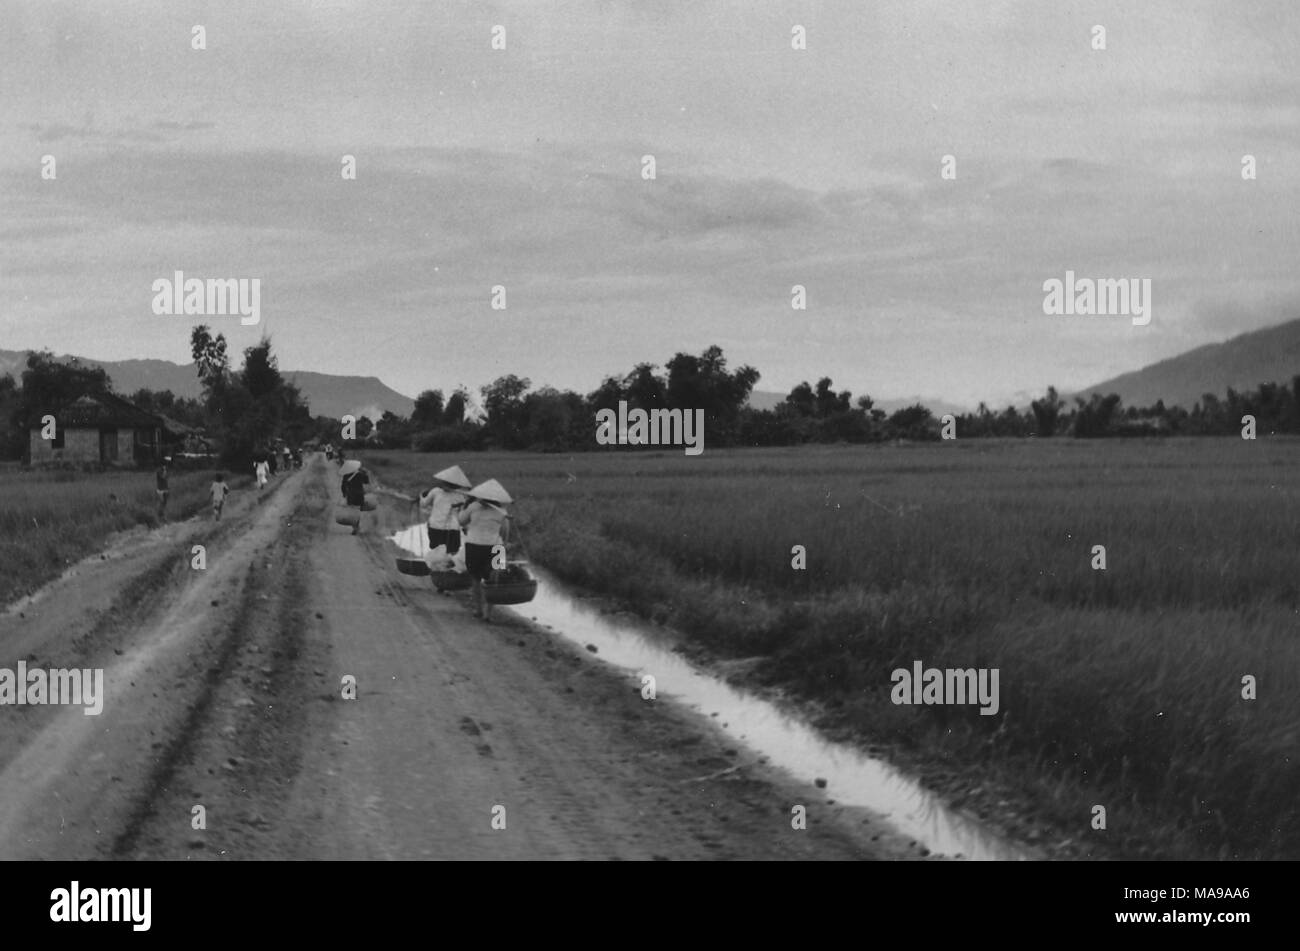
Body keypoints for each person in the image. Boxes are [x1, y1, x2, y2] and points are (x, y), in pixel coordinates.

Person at [458, 479, 513, 623]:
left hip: (474, 545)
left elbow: (461, 521)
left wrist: (464, 507)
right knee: (494, 580)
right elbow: (505, 532)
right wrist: (504, 547)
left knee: (476, 579)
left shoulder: (473, 506)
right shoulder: (502, 512)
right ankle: (488, 613)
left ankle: (478, 610)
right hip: (497, 547)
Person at [418, 465, 472, 556]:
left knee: (436, 552)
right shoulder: (460, 496)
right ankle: (449, 569)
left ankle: (437, 568)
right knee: (452, 553)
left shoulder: (436, 491)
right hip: (452, 529)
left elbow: (423, 504)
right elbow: (462, 515)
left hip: (436, 527)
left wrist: (421, 496)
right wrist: (466, 528)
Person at [340, 459, 369, 535]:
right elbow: (366, 481)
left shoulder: (346, 475)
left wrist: (344, 494)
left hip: (351, 495)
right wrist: (365, 473)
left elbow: (343, 486)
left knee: (352, 512)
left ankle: (355, 527)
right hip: (360, 495)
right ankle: (357, 526)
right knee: (357, 511)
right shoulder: (361, 474)